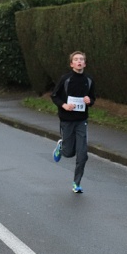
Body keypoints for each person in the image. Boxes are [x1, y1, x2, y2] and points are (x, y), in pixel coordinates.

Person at [50, 51, 95, 193]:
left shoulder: (89, 80)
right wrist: (64, 105)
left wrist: (89, 101)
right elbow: (54, 96)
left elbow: (92, 98)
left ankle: (77, 183)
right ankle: (62, 146)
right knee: (69, 153)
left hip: (81, 121)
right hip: (67, 120)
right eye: (76, 59)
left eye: (81, 59)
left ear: (85, 64)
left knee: (82, 154)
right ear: (71, 64)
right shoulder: (66, 79)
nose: (79, 61)